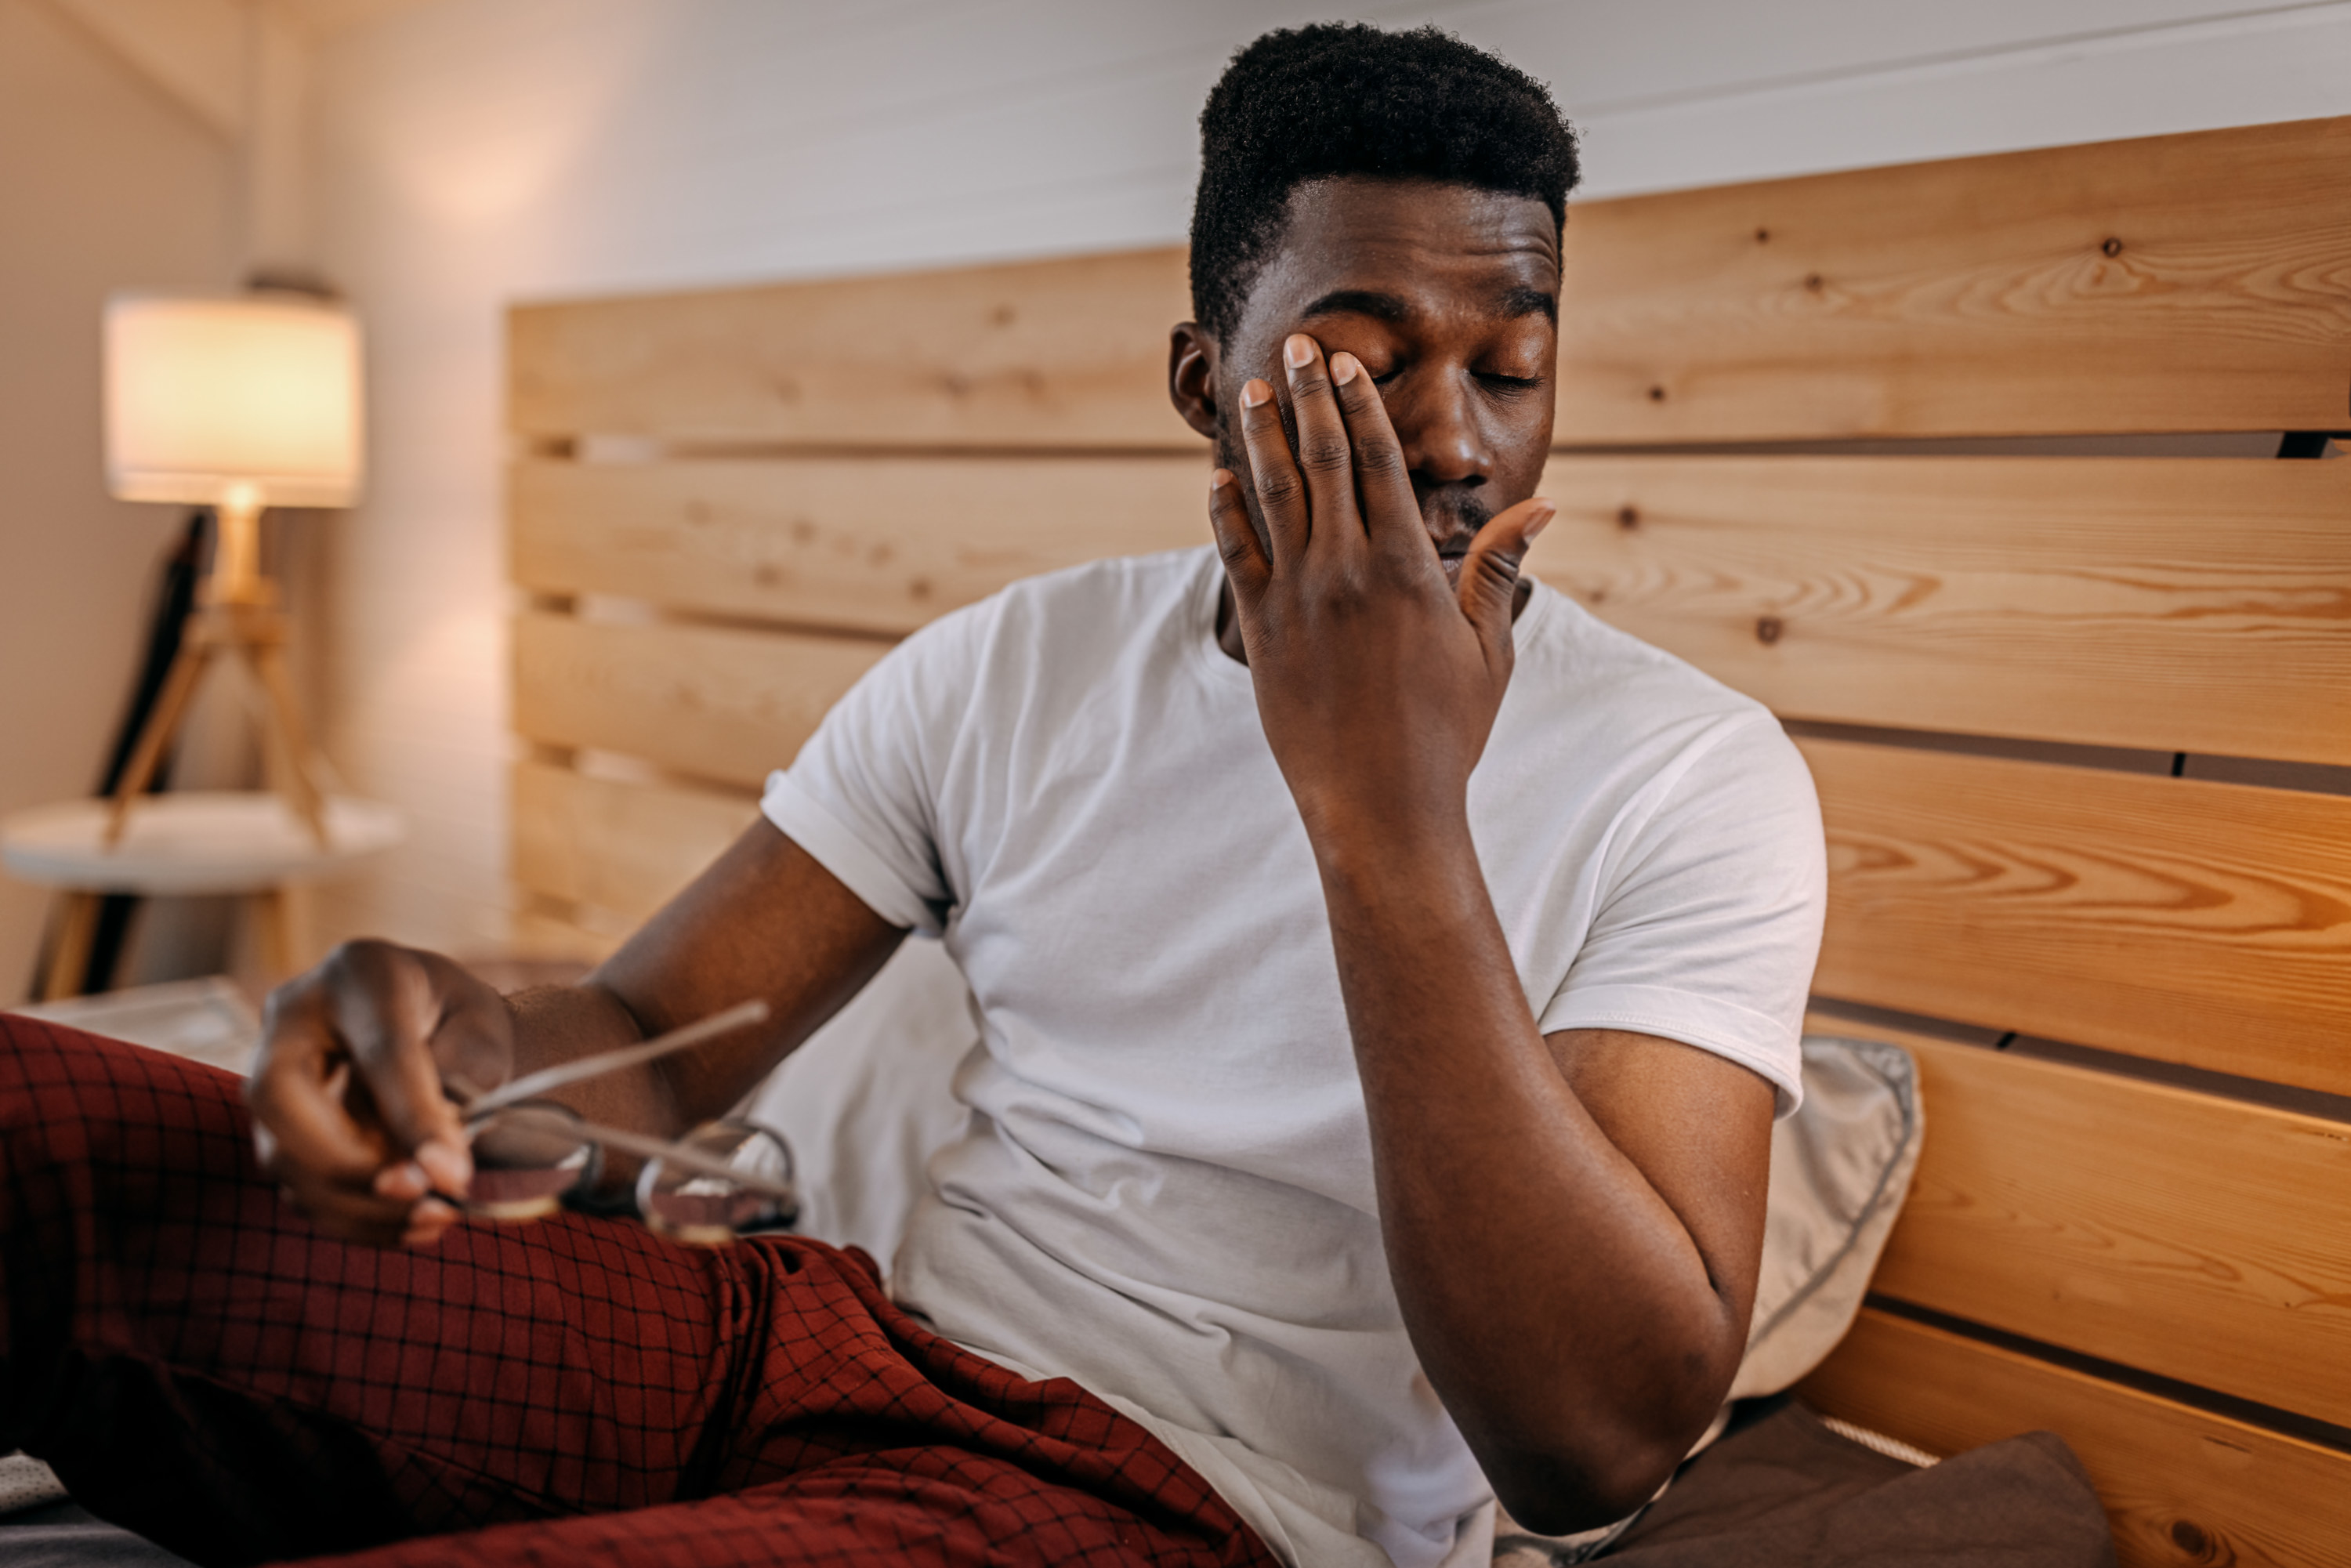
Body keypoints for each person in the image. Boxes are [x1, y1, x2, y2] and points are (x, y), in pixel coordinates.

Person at [0, 23, 1824, 1568]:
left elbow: (1589, 1444)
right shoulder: (1015, 665)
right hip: (818, 1336)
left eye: (1512, 365)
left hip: (1182, 1502)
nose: (1449, 437)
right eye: (1362, 365)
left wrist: (1384, 805)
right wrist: (452, 1047)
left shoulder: (1689, 775)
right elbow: (644, 1028)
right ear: (1205, 382)